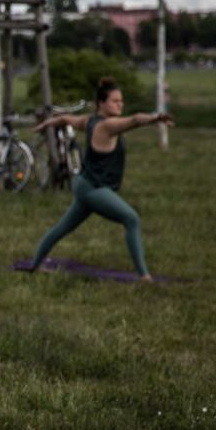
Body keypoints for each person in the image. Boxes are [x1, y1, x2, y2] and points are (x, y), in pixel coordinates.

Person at [28, 79, 172, 281]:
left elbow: (67, 119)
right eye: (115, 101)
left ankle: (35, 265)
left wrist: (48, 123)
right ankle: (144, 276)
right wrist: (155, 118)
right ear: (101, 103)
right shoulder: (108, 125)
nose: (120, 104)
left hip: (84, 184)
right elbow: (134, 120)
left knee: (62, 228)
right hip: (93, 189)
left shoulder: (89, 121)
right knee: (131, 219)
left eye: (121, 101)